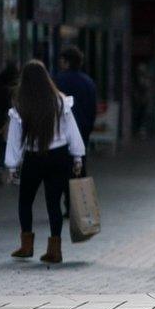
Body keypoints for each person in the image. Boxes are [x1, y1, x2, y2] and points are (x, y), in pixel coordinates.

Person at [6, 60, 85, 264]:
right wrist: (77, 156)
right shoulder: (59, 101)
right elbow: (72, 131)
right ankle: (55, 249)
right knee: (54, 204)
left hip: (34, 157)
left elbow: (14, 139)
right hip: (59, 157)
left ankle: (26, 245)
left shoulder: (21, 103)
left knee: (25, 201)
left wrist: (12, 165)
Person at [54, 46, 97, 215]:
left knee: (61, 169)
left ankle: (65, 204)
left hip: (62, 133)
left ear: (66, 61)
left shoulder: (58, 81)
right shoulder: (88, 82)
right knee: (80, 167)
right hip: (82, 131)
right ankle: (80, 205)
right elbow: (92, 108)